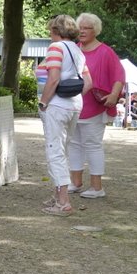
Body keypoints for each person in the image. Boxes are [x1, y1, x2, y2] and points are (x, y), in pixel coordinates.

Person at [67, 13, 125, 199]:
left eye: (87, 28)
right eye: (80, 28)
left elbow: (119, 75)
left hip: (95, 107)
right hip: (73, 105)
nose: (82, 31)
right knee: (74, 144)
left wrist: (114, 95)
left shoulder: (106, 52)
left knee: (92, 145)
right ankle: (76, 182)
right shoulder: (73, 49)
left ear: (96, 30)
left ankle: (97, 187)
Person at [36, 15, 90, 216]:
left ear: (57, 31)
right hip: (74, 105)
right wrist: (71, 96)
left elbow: (53, 78)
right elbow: (88, 82)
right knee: (62, 150)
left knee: (54, 151)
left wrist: (43, 103)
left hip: (56, 105)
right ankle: (58, 196)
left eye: (51, 29)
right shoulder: (78, 50)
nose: (49, 33)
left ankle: (64, 203)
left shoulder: (56, 48)